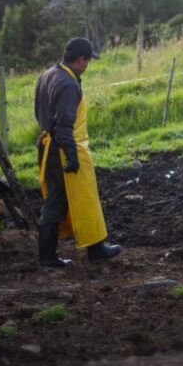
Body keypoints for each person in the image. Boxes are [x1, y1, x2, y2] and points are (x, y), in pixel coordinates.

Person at [34, 37, 121, 267]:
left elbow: (40, 115)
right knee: (58, 201)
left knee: (84, 198)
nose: (88, 65)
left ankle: (95, 247)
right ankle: (48, 257)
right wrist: (71, 155)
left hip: (49, 144)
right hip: (63, 147)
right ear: (81, 60)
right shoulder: (69, 85)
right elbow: (64, 125)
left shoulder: (47, 75)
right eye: (88, 61)